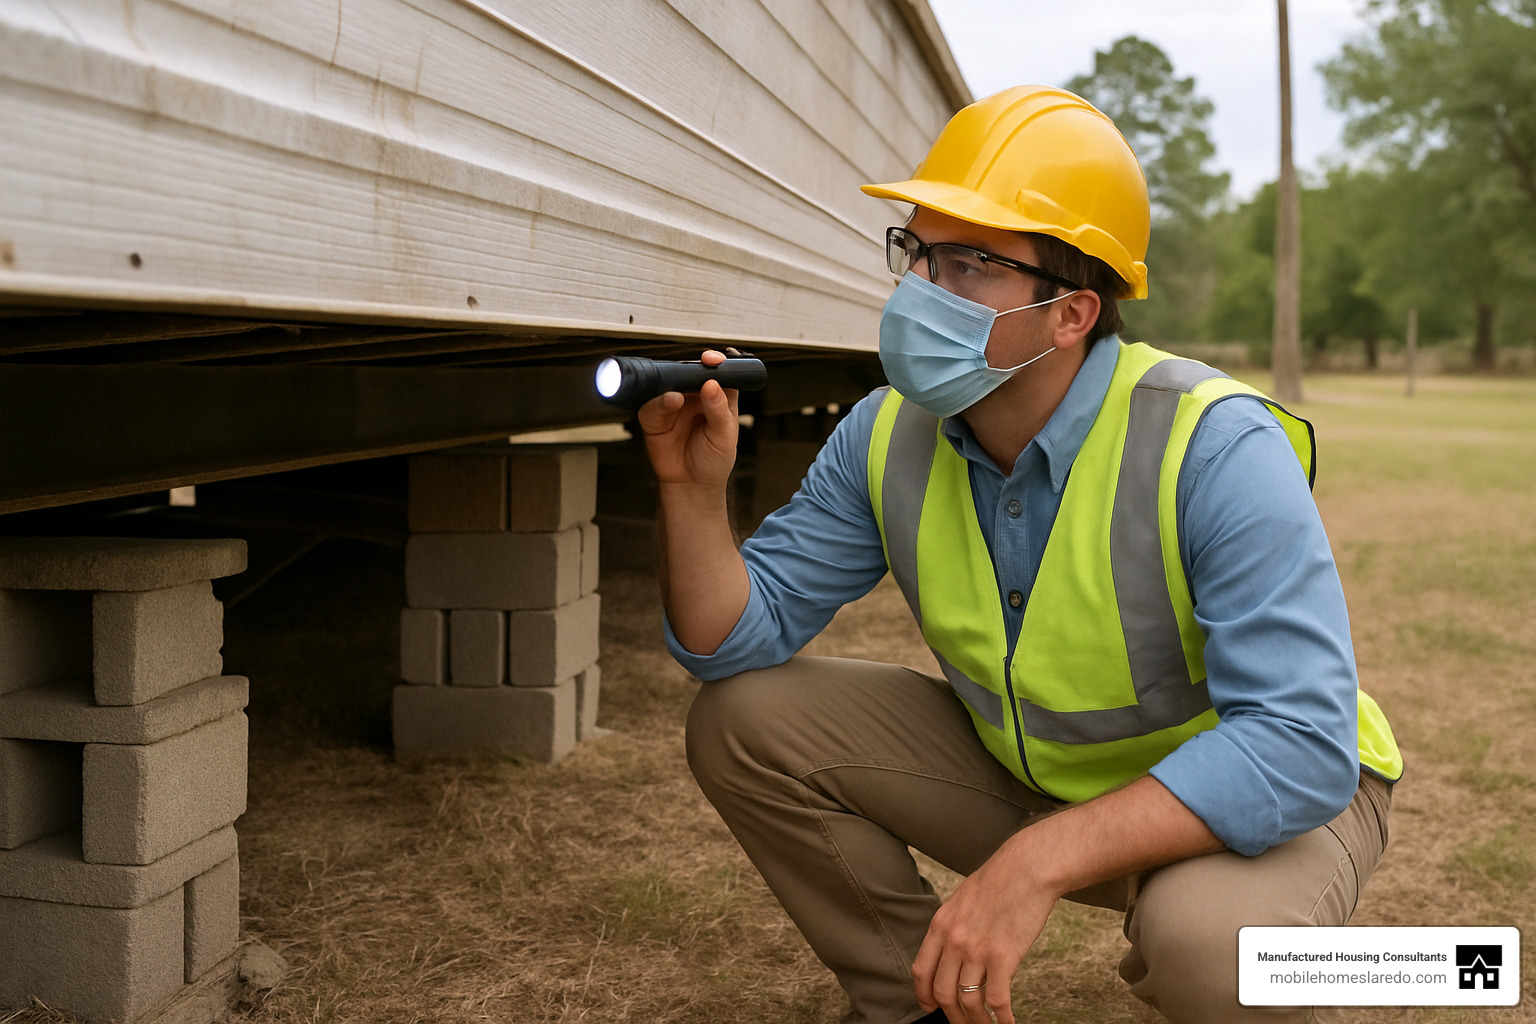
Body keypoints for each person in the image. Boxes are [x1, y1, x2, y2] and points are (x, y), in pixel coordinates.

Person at [637, 85, 1402, 1024]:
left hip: (1274, 793)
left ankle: (1416, 968)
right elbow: (727, 644)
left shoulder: (1214, 444)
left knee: (1220, 954)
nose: (921, 290)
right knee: (743, 718)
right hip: (1043, 775)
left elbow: (1297, 740)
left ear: (1072, 313)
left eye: (967, 266)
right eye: (915, 252)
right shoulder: (885, 434)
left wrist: (1034, 863)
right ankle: (913, 1004)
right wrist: (690, 491)